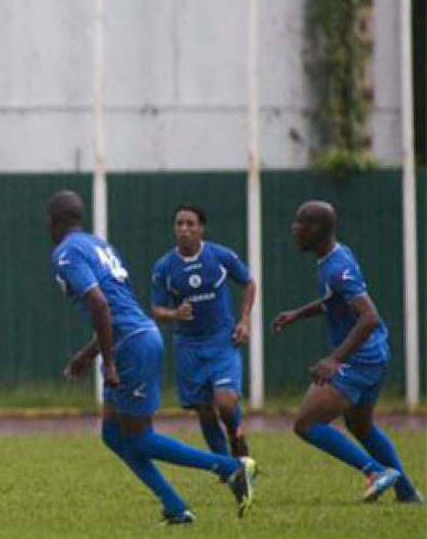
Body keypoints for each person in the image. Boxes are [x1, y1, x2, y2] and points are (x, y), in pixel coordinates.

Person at [46, 190, 256, 524]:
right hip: (133, 337)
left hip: (129, 344)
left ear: (51, 221)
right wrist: (88, 355)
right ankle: (174, 506)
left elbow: (101, 305)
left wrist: (108, 362)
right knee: (113, 435)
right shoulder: (98, 244)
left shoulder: (65, 252)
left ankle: (231, 467)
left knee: (141, 437)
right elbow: (116, 304)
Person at [271, 200, 421, 503]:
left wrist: (335, 359)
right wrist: (299, 313)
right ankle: (405, 492)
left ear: (316, 228)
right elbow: (335, 299)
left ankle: (375, 472)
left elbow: (369, 316)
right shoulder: (336, 256)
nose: (294, 229)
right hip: (375, 352)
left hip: (360, 358)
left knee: (306, 424)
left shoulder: (337, 268)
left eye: (299, 223)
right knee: (360, 425)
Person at [150, 205, 255, 459]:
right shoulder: (164, 267)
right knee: (203, 409)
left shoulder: (219, 256)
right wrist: (175, 314)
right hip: (188, 345)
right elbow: (157, 309)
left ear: (201, 228)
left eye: (190, 224)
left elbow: (248, 282)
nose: (184, 229)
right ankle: (225, 465)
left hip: (221, 340)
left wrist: (244, 320)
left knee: (226, 403)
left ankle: (236, 436)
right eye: (179, 224)